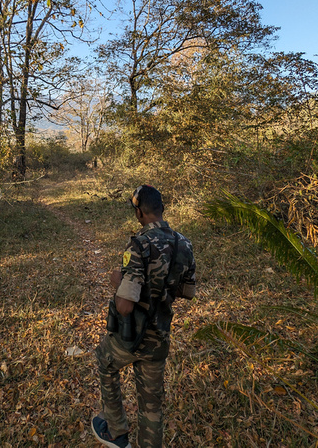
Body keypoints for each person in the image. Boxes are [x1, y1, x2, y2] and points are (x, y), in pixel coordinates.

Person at [92, 185, 197, 448]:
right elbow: (187, 291)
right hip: (160, 338)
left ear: (139, 212)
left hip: (131, 337)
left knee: (104, 359)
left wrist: (119, 282)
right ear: (162, 208)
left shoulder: (139, 244)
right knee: (152, 406)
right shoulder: (184, 243)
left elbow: (125, 306)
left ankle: (116, 431)